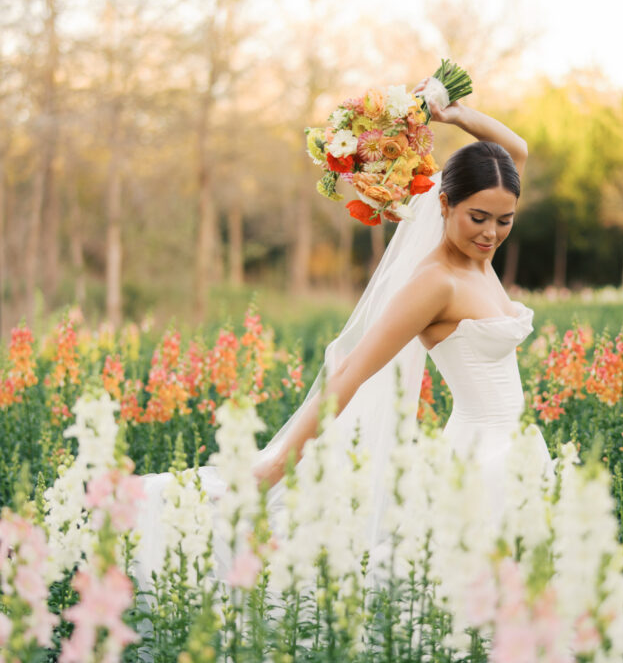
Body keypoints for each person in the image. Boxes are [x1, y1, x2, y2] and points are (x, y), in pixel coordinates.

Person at [134, 90, 550, 587]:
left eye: (504, 221)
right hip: (479, 460)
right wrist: (275, 466)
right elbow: (351, 370)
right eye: (477, 218)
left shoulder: (480, 260)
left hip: (519, 451)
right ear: (443, 203)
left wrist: (454, 115)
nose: (490, 234)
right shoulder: (436, 281)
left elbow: (516, 152)